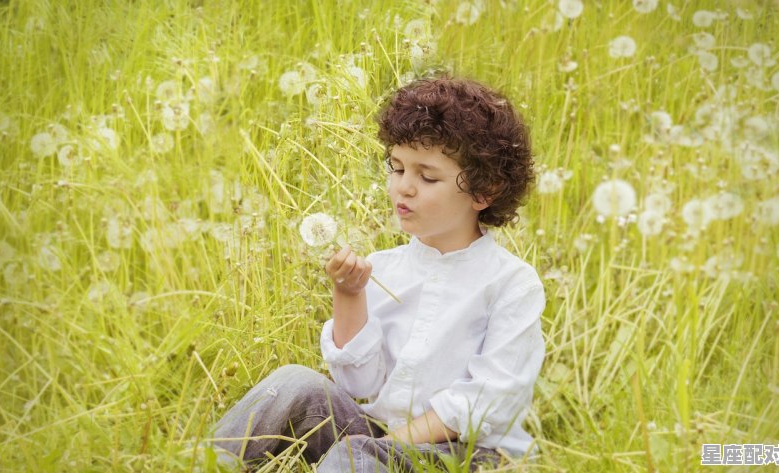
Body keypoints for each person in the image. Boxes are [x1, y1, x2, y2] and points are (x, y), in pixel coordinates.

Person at [213, 77, 546, 472]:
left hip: (467, 454)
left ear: (483, 192)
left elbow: (486, 401)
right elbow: (359, 387)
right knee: (294, 382)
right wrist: (348, 294)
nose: (403, 187)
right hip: (380, 438)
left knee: (357, 456)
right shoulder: (385, 268)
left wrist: (381, 445)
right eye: (397, 167)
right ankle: (202, 463)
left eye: (427, 177)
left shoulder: (511, 284)